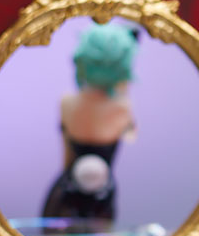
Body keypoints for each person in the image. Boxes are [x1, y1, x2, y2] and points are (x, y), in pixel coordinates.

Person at [42, 22, 138, 222]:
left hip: (66, 192)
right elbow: (132, 136)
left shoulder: (67, 103)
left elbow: (66, 156)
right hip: (103, 196)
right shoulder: (123, 109)